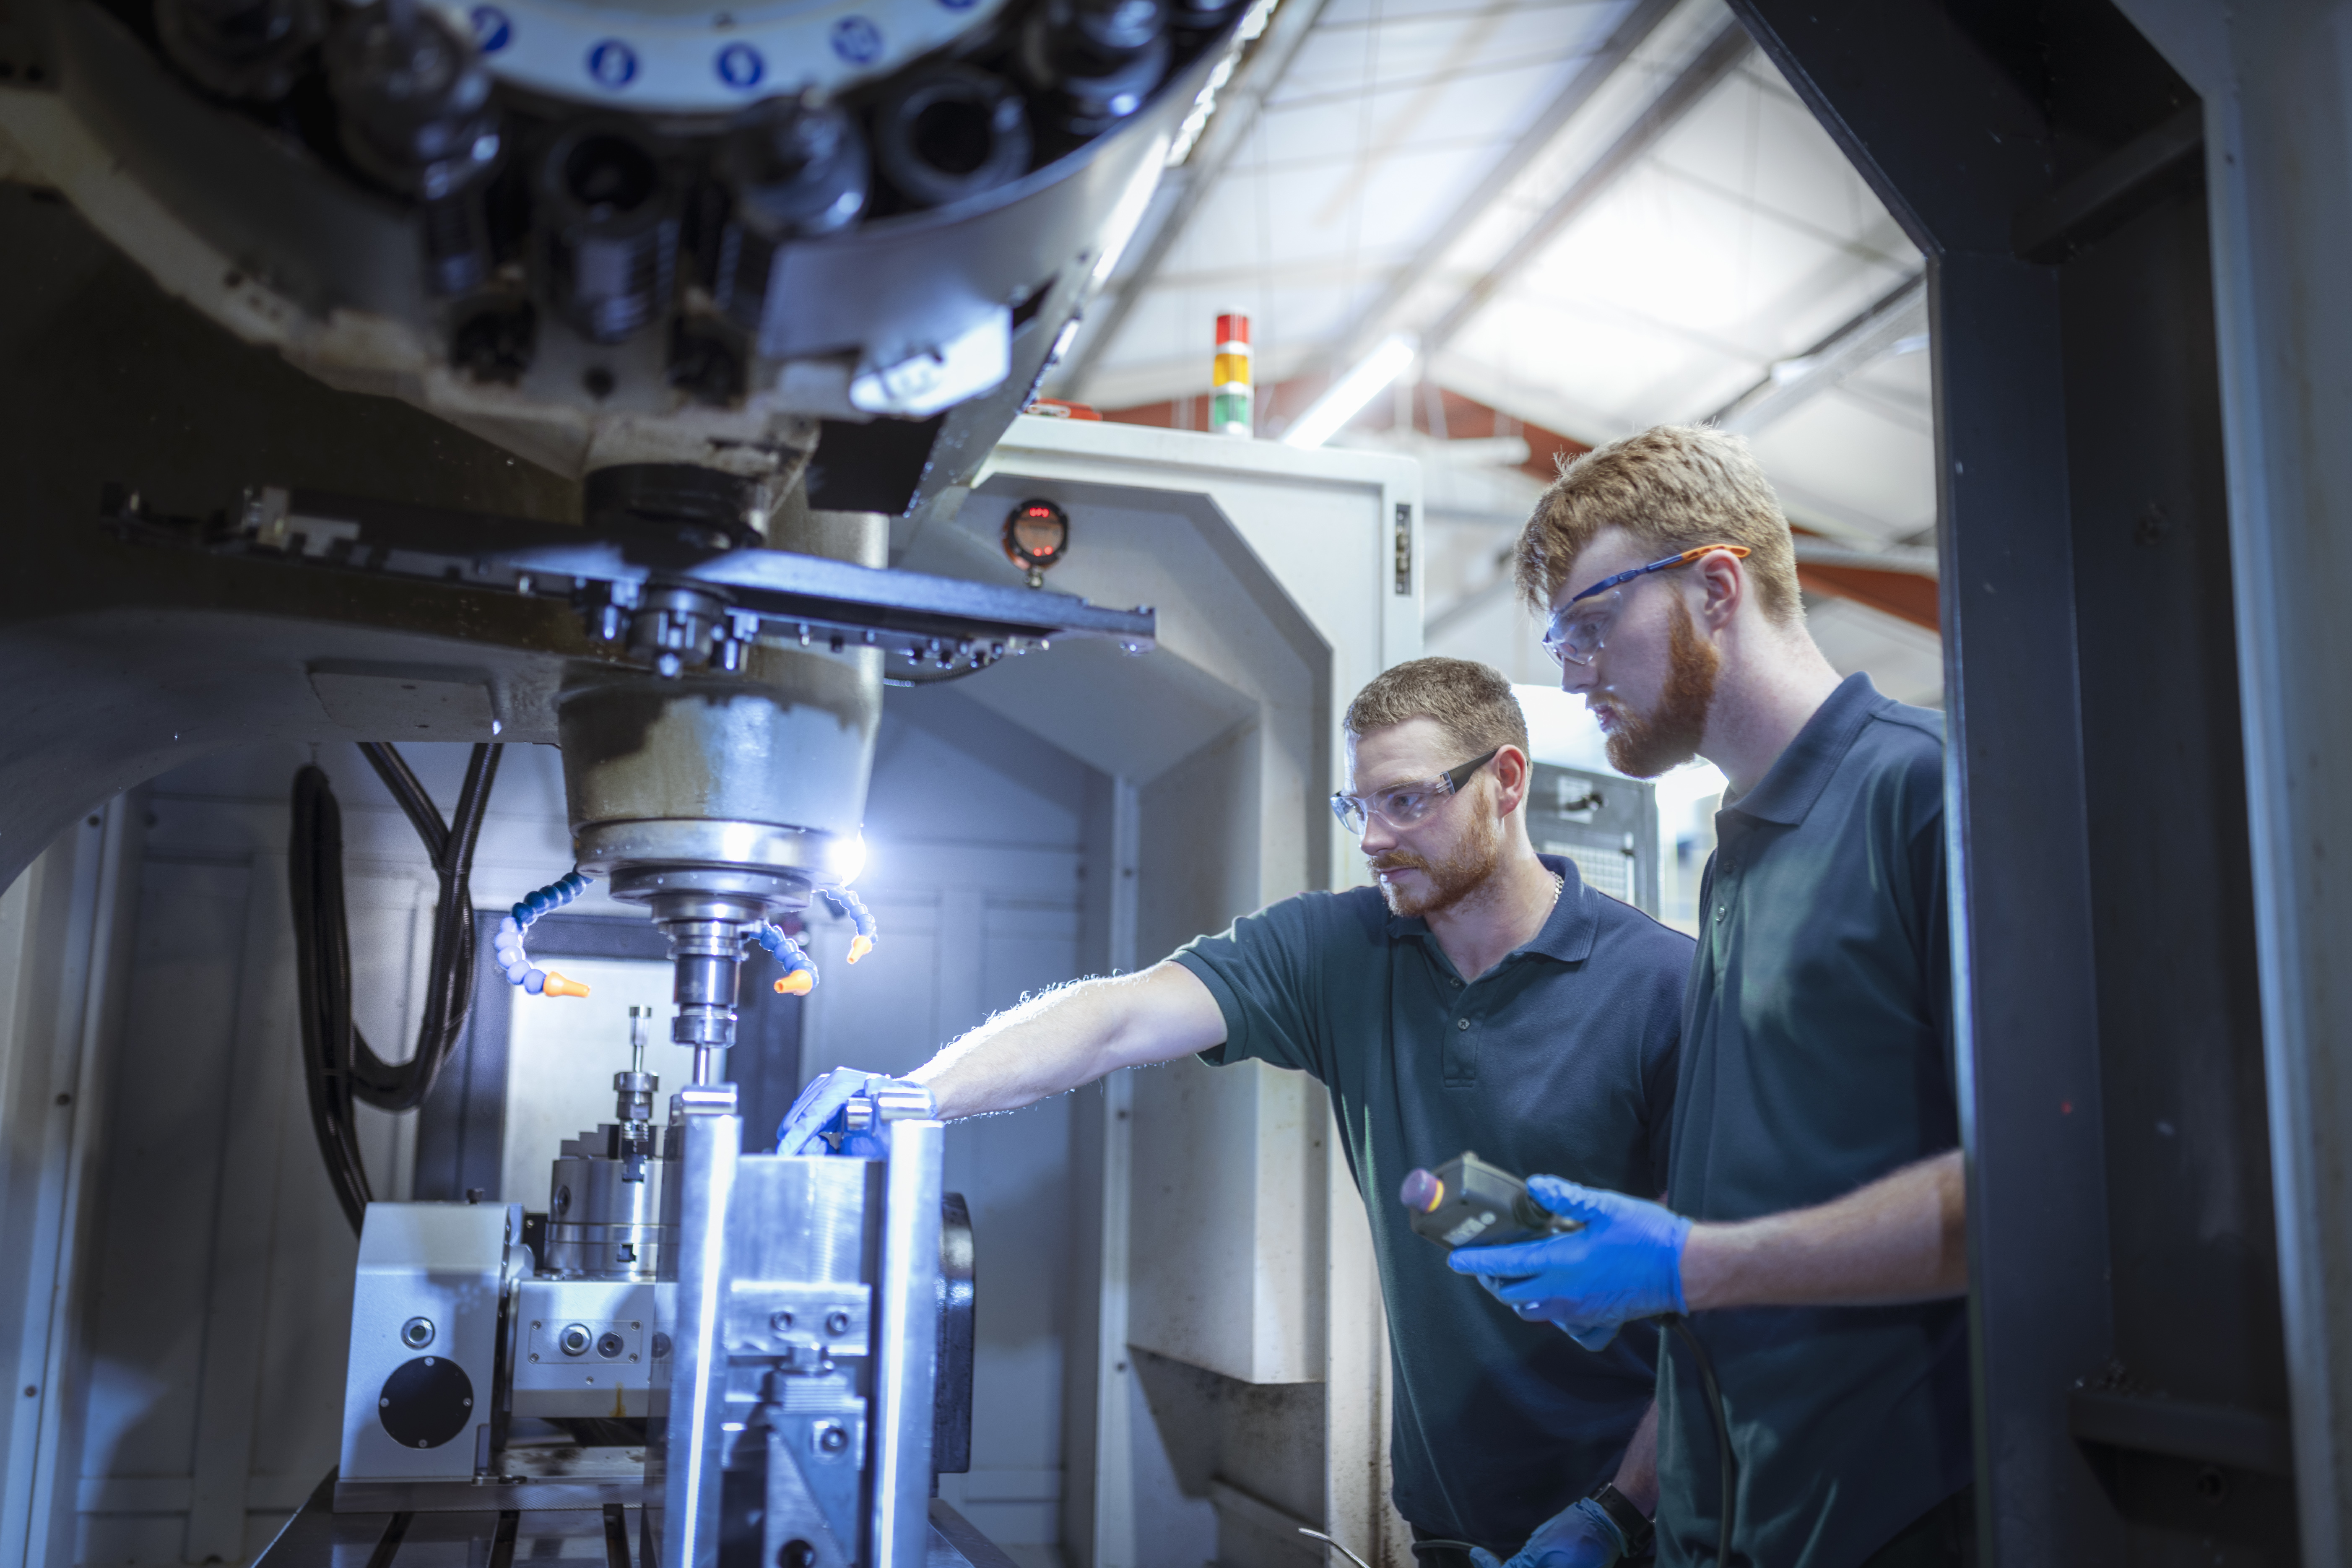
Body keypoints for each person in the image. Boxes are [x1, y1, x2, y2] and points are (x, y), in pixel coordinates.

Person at [780, 658, 1694, 1567]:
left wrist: (1620, 1513)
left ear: (1505, 781)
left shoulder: (1663, 989)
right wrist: (915, 1096)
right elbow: (1119, 1015)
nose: (1373, 838)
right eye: (1358, 806)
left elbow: (1727, 1304)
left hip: (1643, 1526)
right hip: (1450, 1524)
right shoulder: (1342, 947)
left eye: (1407, 801)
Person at [1450, 425, 1970, 1568]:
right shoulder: (1733, 858)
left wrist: (1688, 1263)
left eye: (1594, 627)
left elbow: (2027, 1197)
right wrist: (1622, 1505)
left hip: (1890, 1523)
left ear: (1718, 586)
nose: (1575, 673)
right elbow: (1741, 1250)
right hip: (1722, 1531)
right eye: (1562, 638)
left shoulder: (1922, 795)